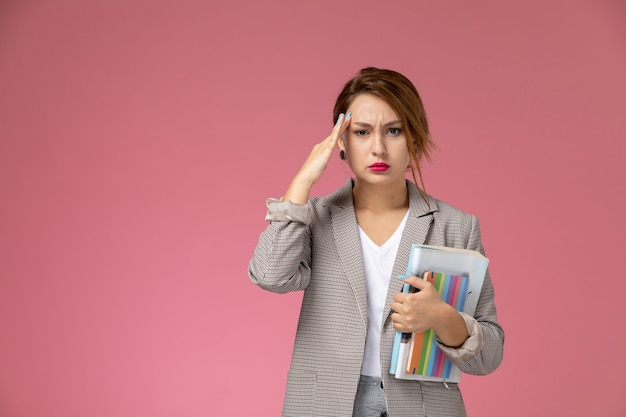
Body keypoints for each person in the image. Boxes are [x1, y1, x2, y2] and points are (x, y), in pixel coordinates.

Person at [248, 67, 504, 417]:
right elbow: (270, 275)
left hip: (422, 407)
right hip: (327, 404)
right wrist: (302, 182)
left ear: (413, 138)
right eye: (362, 132)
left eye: (394, 131)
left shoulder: (456, 226)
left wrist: (443, 318)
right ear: (341, 140)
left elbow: (489, 356)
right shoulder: (314, 218)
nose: (378, 148)